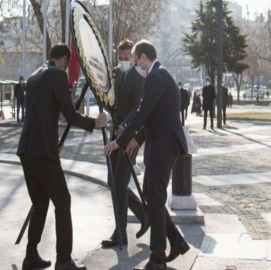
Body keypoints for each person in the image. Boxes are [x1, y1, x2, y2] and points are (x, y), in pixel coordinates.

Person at [17, 44, 107, 270]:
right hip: (42, 153)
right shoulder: (57, 75)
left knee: (40, 203)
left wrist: (53, 140)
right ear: (66, 59)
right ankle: (64, 260)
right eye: (69, 62)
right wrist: (96, 123)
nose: (69, 67)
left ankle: (30, 257)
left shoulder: (35, 76)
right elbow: (70, 115)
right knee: (63, 201)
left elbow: (41, 114)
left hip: (27, 149)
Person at [104, 40, 190, 270]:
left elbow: (142, 113)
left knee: (154, 196)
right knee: (153, 197)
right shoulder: (157, 75)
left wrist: (119, 142)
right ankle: (177, 242)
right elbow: (149, 114)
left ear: (144, 58)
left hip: (164, 144)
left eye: (134, 59)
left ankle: (158, 257)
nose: (133, 64)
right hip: (158, 142)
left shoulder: (157, 76)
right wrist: (134, 139)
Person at [101, 39, 148, 248]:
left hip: (130, 136)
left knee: (119, 184)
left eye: (127, 58)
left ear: (134, 58)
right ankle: (143, 214)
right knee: (113, 183)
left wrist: (126, 125)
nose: (123, 62)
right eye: (120, 58)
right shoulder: (115, 73)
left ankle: (120, 234)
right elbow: (111, 98)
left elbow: (139, 106)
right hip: (115, 134)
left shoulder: (140, 76)